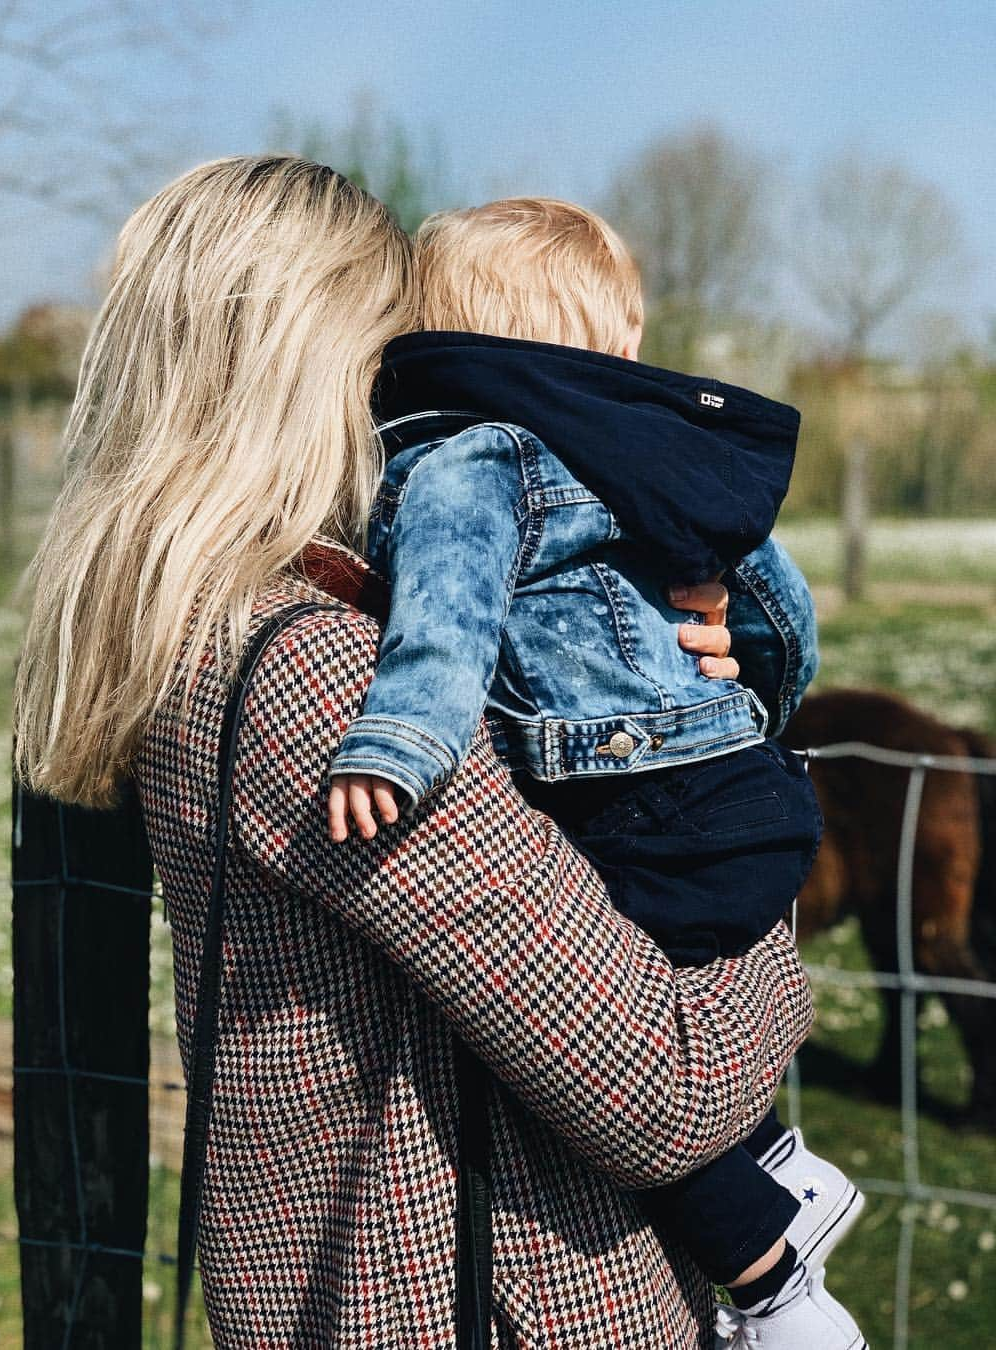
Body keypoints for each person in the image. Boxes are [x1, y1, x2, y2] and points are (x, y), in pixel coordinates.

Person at [14, 156, 814, 1346]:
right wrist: (728, 787)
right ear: (322, 366)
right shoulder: (319, 673)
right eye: (400, 352)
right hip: (474, 1305)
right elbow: (669, 1082)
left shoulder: (202, 633)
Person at [327, 198, 866, 1349]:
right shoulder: (661, 457)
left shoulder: (470, 456)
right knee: (661, 997)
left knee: (586, 1049)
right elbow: (780, 605)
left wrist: (400, 745)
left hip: (639, 807)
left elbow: (449, 623)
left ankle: (774, 1285)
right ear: (606, 346)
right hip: (741, 794)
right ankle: (774, 1158)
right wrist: (758, 713)